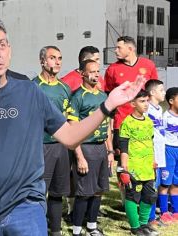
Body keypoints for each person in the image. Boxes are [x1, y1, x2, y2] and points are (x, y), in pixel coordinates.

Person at [0, 16, 145, 236]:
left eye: (1, 45)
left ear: (9, 49)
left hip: (25, 208)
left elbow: (70, 136)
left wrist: (108, 105)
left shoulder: (29, 91)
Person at [67, 59, 114, 236]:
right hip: (85, 148)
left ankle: (92, 227)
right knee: (84, 192)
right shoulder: (77, 97)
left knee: (98, 190)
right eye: (91, 71)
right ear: (82, 74)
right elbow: (72, 128)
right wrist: (79, 156)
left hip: (101, 148)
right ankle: (77, 230)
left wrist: (109, 151)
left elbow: (107, 125)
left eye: (97, 71)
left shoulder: (103, 96)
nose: (95, 74)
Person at [33, 45, 71, 236]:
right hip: (41, 147)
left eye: (59, 58)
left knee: (58, 192)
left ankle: (55, 230)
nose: (57, 62)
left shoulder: (65, 88)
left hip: (61, 147)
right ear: (42, 61)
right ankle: (38, 230)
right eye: (52, 58)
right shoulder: (33, 87)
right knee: (39, 193)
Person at [105, 36, 158, 156]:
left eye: (119, 48)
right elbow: (108, 96)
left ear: (130, 49)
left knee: (144, 157)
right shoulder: (112, 69)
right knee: (123, 161)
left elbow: (155, 92)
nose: (115, 50)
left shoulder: (148, 65)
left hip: (145, 122)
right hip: (122, 122)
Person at [119, 90, 159, 236]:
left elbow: (151, 143)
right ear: (133, 104)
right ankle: (135, 228)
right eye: (142, 101)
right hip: (133, 167)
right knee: (132, 197)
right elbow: (123, 146)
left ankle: (144, 224)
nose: (146, 104)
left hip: (148, 167)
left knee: (149, 196)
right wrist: (124, 169)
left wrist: (153, 160)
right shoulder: (127, 123)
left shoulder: (149, 122)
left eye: (147, 101)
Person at [144, 79, 168, 226]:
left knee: (156, 185)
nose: (164, 92)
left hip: (160, 153)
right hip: (151, 155)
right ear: (152, 92)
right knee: (151, 187)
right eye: (161, 90)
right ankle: (149, 218)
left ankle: (153, 216)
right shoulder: (147, 109)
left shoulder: (160, 110)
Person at [160, 87, 178, 222]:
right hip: (168, 150)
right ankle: (164, 211)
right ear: (171, 101)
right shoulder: (164, 117)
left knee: (176, 183)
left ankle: (176, 210)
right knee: (165, 182)